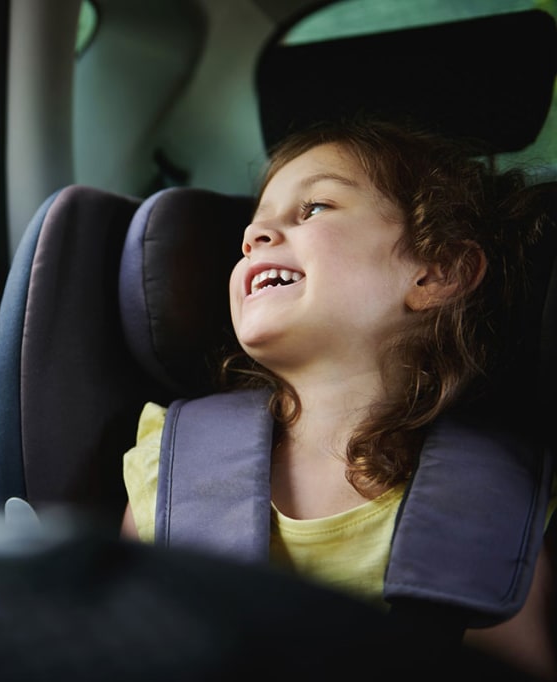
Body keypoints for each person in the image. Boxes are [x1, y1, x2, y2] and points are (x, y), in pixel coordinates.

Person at [120, 119, 555, 678]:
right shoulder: (170, 470)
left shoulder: (499, 505)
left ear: (436, 273)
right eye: (252, 228)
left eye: (314, 208)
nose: (255, 236)